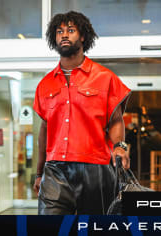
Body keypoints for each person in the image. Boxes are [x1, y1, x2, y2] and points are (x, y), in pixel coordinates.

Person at [32, 11, 131, 215]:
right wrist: (39, 172)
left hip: (95, 170)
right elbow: (45, 129)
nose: (64, 35)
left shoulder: (105, 78)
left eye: (71, 30)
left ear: (83, 36)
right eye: (59, 32)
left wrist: (120, 147)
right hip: (55, 171)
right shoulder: (44, 84)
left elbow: (116, 120)